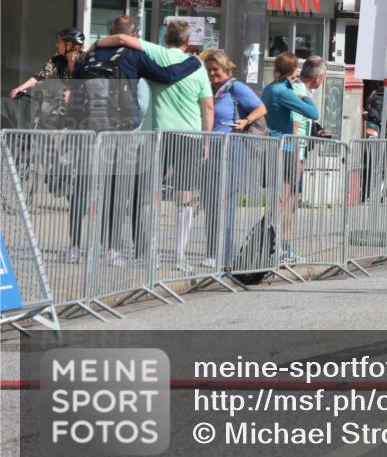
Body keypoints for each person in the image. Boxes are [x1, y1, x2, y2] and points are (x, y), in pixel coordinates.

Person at [92, 20, 214, 272]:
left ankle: (148, 252)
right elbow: (208, 107)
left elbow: (123, 39)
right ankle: (179, 255)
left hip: (156, 134)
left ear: (165, 38)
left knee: (146, 194)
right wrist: (206, 141)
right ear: (187, 41)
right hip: (189, 136)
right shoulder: (198, 66)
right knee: (184, 195)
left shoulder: (154, 52)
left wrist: (95, 44)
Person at [201, 49, 267, 270]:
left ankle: (226, 254)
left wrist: (245, 121)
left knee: (225, 202)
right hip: (212, 150)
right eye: (208, 70)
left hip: (232, 148)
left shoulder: (235, 87)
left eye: (215, 69)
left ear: (225, 69)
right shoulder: (210, 88)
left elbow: (261, 107)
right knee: (210, 201)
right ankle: (213, 251)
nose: (211, 74)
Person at [262, 52, 320, 262]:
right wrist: (305, 97)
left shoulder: (269, 88)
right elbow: (313, 114)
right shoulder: (284, 92)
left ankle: (270, 243)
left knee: (279, 199)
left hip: (272, 146)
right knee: (287, 200)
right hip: (286, 149)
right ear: (293, 69)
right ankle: (281, 247)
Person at [9, 27, 86, 129]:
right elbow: (40, 76)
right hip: (67, 102)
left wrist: (72, 90)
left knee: (77, 129)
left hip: (85, 104)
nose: (57, 45)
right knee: (50, 121)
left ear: (69, 45)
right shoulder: (58, 58)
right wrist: (20, 88)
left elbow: (90, 82)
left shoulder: (85, 59)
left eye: (59, 42)